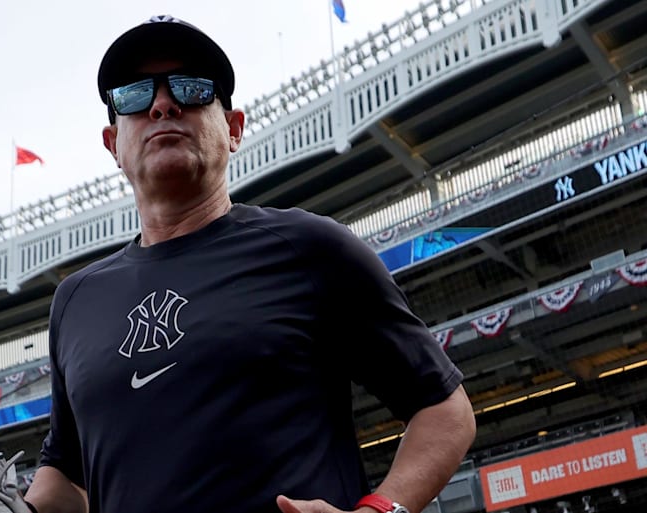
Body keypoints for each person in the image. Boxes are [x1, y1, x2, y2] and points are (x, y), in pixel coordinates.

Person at [23, 15, 476, 513]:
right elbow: (66, 479)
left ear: (234, 129)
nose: (162, 104)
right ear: (113, 145)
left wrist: (379, 511)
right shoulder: (75, 301)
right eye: (134, 95)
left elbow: (445, 409)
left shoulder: (309, 248)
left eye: (192, 88)